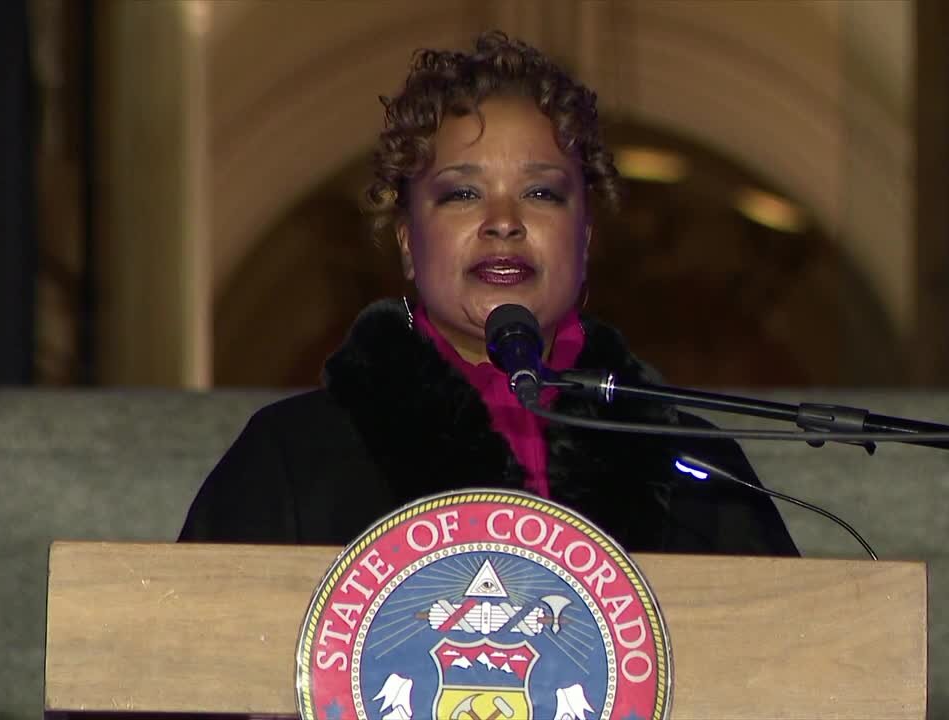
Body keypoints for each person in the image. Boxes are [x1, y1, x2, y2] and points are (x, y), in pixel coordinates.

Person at [179, 31, 798, 557]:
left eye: (541, 193)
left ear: (585, 238)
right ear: (406, 241)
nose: (504, 221)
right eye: (463, 194)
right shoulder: (293, 457)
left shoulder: (693, 469)